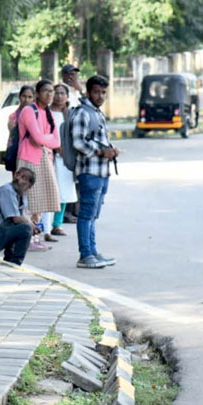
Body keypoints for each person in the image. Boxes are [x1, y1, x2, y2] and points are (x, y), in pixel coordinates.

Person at [71, 75, 119, 269]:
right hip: (89, 171)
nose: (100, 96)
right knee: (86, 214)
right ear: (89, 92)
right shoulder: (83, 113)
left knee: (93, 215)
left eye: (103, 92)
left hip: (102, 171)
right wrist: (101, 152)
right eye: (97, 92)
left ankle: (92, 251)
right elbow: (78, 142)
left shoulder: (97, 113)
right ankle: (85, 254)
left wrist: (110, 151)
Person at [15, 80, 62, 252]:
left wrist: (45, 140)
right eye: (45, 91)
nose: (50, 95)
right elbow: (37, 138)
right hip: (29, 159)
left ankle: (35, 236)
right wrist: (46, 140)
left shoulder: (47, 112)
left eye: (52, 91)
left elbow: (57, 141)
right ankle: (26, 238)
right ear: (37, 93)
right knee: (28, 201)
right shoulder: (29, 111)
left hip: (44, 159)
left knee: (41, 202)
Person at [49, 83, 78, 237]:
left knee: (64, 190)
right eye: (56, 93)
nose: (59, 96)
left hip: (66, 157)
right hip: (50, 155)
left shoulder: (71, 114)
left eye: (62, 93)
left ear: (67, 97)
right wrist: (54, 147)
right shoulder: (47, 113)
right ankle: (45, 224)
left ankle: (57, 224)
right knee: (50, 189)